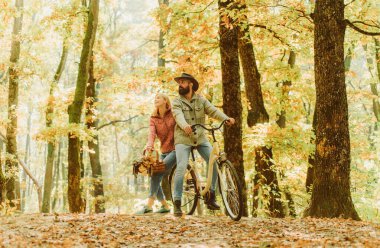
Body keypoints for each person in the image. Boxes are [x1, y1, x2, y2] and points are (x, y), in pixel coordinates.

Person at [171, 73, 235, 217]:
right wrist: (185, 125)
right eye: (179, 82)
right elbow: (178, 116)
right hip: (183, 138)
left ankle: (211, 195)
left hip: (200, 137)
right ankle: (177, 201)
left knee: (215, 161)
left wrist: (226, 119)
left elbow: (213, 110)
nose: (180, 85)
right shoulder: (176, 102)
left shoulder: (201, 100)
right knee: (181, 167)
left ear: (191, 84)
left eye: (183, 82)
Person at [135, 93, 176, 214]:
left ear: (165, 100)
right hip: (164, 151)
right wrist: (149, 146)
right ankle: (165, 207)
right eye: (155, 98)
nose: (156, 100)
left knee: (157, 173)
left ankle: (149, 205)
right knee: (154, 173)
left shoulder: (174, 113)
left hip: (176, 150)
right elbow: (152, 134)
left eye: (158, 98)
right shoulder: (153, 118)